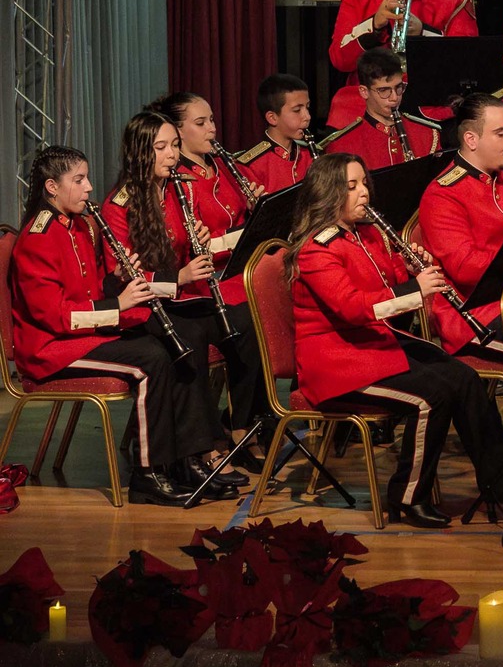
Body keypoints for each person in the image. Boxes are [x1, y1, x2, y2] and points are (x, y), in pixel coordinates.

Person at [287, 153, 503, 528]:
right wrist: (414, 289)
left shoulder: (367, 234)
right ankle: (408, 498)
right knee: (431, 397)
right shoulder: (317, 249)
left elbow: (387, 280)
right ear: (328, 193)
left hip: (374, 346)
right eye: (351, 187)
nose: (364, 193)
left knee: (464, 378)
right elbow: (352, 308)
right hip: (337, 365)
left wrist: (409, 268)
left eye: (364, 183)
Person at [10, 145, 220, 506]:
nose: (90, 187)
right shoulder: (38, 238)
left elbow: (90, 287)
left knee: (175, 342)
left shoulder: (80, 225)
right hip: (50, 349)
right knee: (151, 359)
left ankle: (183, 460)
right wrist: (117, 305)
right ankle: (148, 474)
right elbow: (56, 317)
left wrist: (118, 278)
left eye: (87, 178)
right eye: (79, 180)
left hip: (83, 334)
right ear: (52, 187)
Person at [153, 93, 267, 435]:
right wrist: (245, 233)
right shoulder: (176, 181)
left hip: (238, 272)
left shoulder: (227, 166)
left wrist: (257, 209)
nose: (212, 129)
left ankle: (257, 418)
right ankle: (243, 426)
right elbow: (191, 248)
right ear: (177, 132)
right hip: (204, 281)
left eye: (212, 120)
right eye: (201, 123)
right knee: (253, 320)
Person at [414, 94, 503, 357]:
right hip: (474, 316)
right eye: (501, 133)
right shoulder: (443, 195)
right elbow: (466, 269)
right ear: (471, 140)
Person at [328, 0, 478, 126]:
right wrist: (374, 24)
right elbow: (339, 60)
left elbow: (467, 62)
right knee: (342, 106)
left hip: (430, 97)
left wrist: (423, 32)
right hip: (369, 98)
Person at [323, 49, 439, 168]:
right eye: (384, 90)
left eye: (399, 87)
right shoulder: (342, 145)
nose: (394, 98)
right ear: (364, 92)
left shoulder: (428, 134)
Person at [237, 73, 318, 193]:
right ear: (272, 118)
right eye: (297, 110)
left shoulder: (309, 154)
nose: (307, 117)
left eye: (307, 107)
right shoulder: (252, 165)